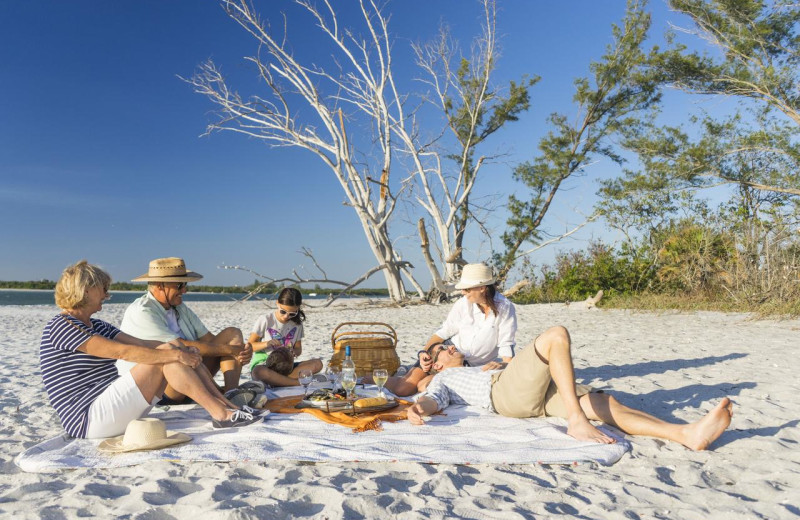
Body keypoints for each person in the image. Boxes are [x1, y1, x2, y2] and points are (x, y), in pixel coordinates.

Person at [407, 325, 733, 451]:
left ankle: (685, 434)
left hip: (530, 392)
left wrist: (500, 365)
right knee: (556, 335)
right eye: (444, 350)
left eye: (450, 346)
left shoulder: (481, 365)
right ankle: (577, 422)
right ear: (435, 364)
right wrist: (421, 408)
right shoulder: (444, 378)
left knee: (603, 403)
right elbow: (434, 398)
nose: (451, 348)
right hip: (503, 394)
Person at [40, 260, 263, 439]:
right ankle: (221, 413)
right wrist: (176, 354)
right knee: (169, 357)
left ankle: (228, 406)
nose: (107, 293)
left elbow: (143, 344)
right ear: (86, 290)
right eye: (103, 287)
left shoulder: (96, 325)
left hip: (113, 408)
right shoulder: (62, 326)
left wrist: (182, 350)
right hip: (87, 418)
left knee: (171, 347)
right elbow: (121, 352)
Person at [119, 257, 252, 403]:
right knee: (179, 354)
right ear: (159, 286)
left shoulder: (179, 308)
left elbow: (209, 341)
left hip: (191, 373)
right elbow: (179, 346)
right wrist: (231, 350)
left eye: (185, 284)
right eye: (179, 285)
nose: (185, 290)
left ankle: (231, 394)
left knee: (232, 333)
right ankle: (223, 397)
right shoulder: (142, 311)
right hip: (160, 387)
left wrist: (240, 351)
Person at [248, 287, 323, 387]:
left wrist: (294, 352)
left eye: (292, 313)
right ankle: (296, 383)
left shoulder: (297, 325)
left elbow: (298, 349)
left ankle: (278, 381)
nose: (286, 316)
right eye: (283, 311)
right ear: (277, 304)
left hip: (286, 368)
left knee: (318, 364)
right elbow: (249, 346)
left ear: (298, 309)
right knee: (259, 372)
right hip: (265, 366)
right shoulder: (266, 320)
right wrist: (267, 343)